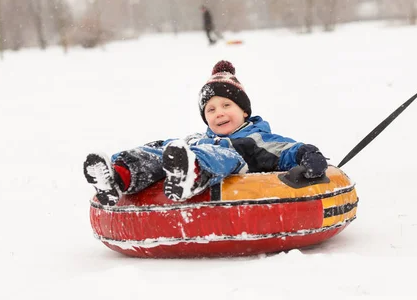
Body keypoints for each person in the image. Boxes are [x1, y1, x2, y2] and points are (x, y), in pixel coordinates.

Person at [83, 60, 328, 205]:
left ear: (244, 111)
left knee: (221, 151)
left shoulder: (256, 138)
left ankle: (193, 173)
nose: (218, 113)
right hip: (194, 150)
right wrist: (154, 151)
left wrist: (307, 154)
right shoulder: (200, 138)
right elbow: (165, 147)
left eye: (226, 105)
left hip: (231, 166)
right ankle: (118, 177)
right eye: (210, 109)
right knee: (165, 148)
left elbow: (285, 149)